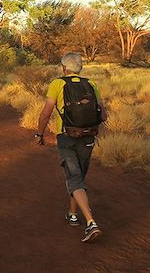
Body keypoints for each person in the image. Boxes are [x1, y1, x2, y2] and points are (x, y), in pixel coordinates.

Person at [35, 52, 108, 243]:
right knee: (78, 177)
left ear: (64, 67)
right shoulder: (91, 84)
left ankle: (91, 223)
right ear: (80, 68)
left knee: (74, 178)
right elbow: (103, 114)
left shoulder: (57, 84)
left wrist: (40, 134)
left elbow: (45, 114)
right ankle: (72, 214)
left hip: (66, 137)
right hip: (88, 136)